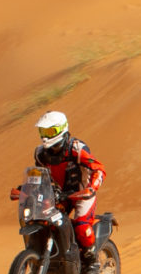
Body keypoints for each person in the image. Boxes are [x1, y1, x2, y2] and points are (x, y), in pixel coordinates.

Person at [14, 110, 104, 264]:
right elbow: (39, 176)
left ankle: (92, 261)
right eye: (42, 131)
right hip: (59, 195)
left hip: (81, 194)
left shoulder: (76, 149)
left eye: (50, 131)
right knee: (46, 221)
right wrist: (25, 189)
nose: (45, 136)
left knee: (81, 226)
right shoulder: (40, 153)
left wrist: (92, 187)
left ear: (61, 130)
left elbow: (98, 168)